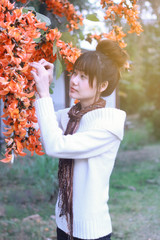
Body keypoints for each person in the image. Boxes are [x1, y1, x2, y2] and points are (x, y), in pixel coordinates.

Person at [30, 39, 129, 240]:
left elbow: (55, 145)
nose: (74, 80)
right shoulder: (71, 115)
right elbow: (36, 122)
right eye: (75, 72)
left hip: (91, 232)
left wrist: (43, 94)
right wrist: (41, 86)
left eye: (83, 77)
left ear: (102, 85)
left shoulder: (109, 124)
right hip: (64, 223)